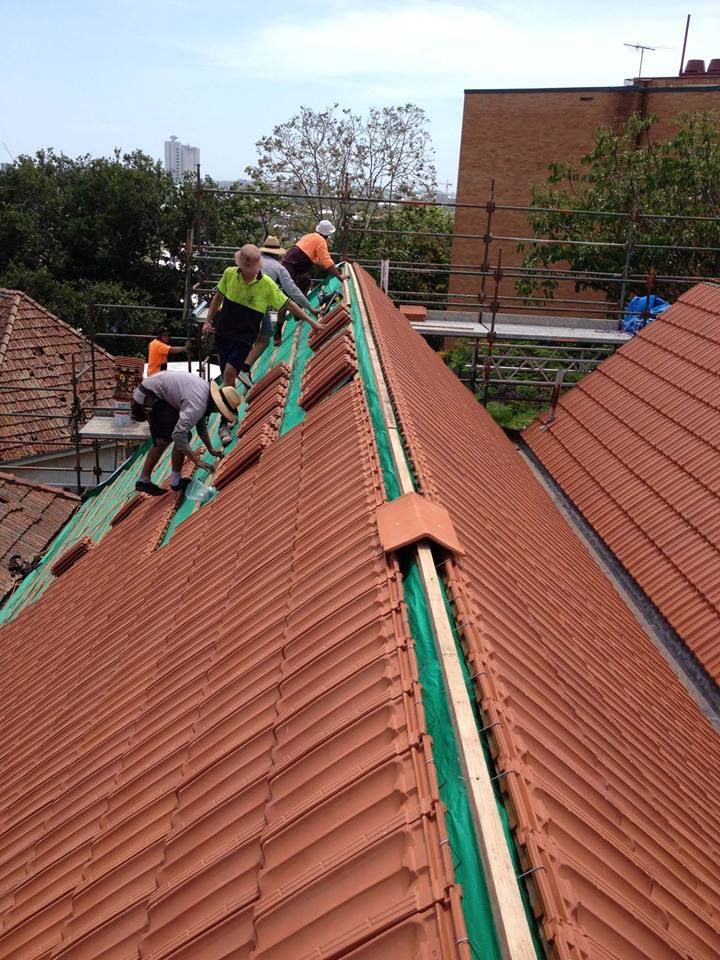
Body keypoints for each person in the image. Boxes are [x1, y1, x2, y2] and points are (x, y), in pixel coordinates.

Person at [202, 244, 318, 445]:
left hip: (244, 337)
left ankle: (224, 422)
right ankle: (229, 415)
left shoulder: (266, 284)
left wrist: (311, 320)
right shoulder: (230, 274)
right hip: (223, 333)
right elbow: (218, 297)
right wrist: (208, 321)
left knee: (230, 373)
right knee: (226, 379)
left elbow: (289, 302)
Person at [131, 370, 240, 496]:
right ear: (217, 405)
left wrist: (210, 448)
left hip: (153, 393)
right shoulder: (198, 403)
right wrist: (195, 460)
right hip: (149, 396)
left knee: (167, 439)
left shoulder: (204, 395)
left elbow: (201, 426)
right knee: (174, 437)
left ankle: (146, 480)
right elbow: (178, 434)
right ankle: (171, 481)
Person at [258, 235, 317, 346]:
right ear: (276, 253)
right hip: (258, 305)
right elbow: (293, 292)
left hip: (235, 301)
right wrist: (310, 308)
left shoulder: (251, 260)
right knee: (264, 337)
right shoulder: (278, 268)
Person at [281, 220, 344, 295]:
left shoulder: (309, 236)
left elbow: (317, 261)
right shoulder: (321, 241)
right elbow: (327, 262)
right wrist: (340, 277)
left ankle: (298, 304)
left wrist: (335, 269)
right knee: (289, 291)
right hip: (292, 267)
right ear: (328, 234)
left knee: (305, 282)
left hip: (287, 263)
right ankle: (291, 305)